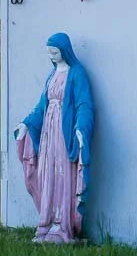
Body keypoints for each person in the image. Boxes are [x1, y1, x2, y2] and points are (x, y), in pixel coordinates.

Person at [13, 32, 94, 244]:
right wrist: (26, 124)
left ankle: (62, 224)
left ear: (64, 50)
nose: (52, 55)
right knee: (47, 171)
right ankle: (46, 222)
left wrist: (81, 128)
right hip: (49, 131)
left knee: (63, 173)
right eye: (50, 52)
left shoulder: (77, 73)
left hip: (64, 133)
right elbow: (43, 105)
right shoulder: (52, 74)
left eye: (55, 51)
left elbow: (84, 104)